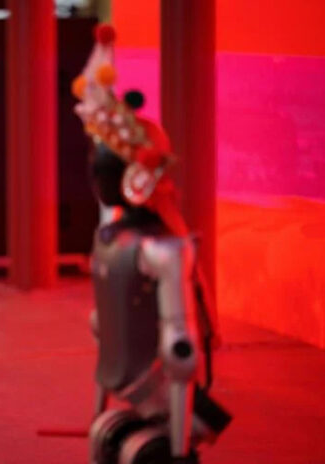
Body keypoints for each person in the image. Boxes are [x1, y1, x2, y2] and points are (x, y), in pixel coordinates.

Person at [72, 23, 231, 464]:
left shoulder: (154, 247)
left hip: (147, 385)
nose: (95, 179)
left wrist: (177, 449)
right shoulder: (121, 241)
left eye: (102, 170)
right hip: (134, 381)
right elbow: (111, 323)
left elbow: (178, 347)